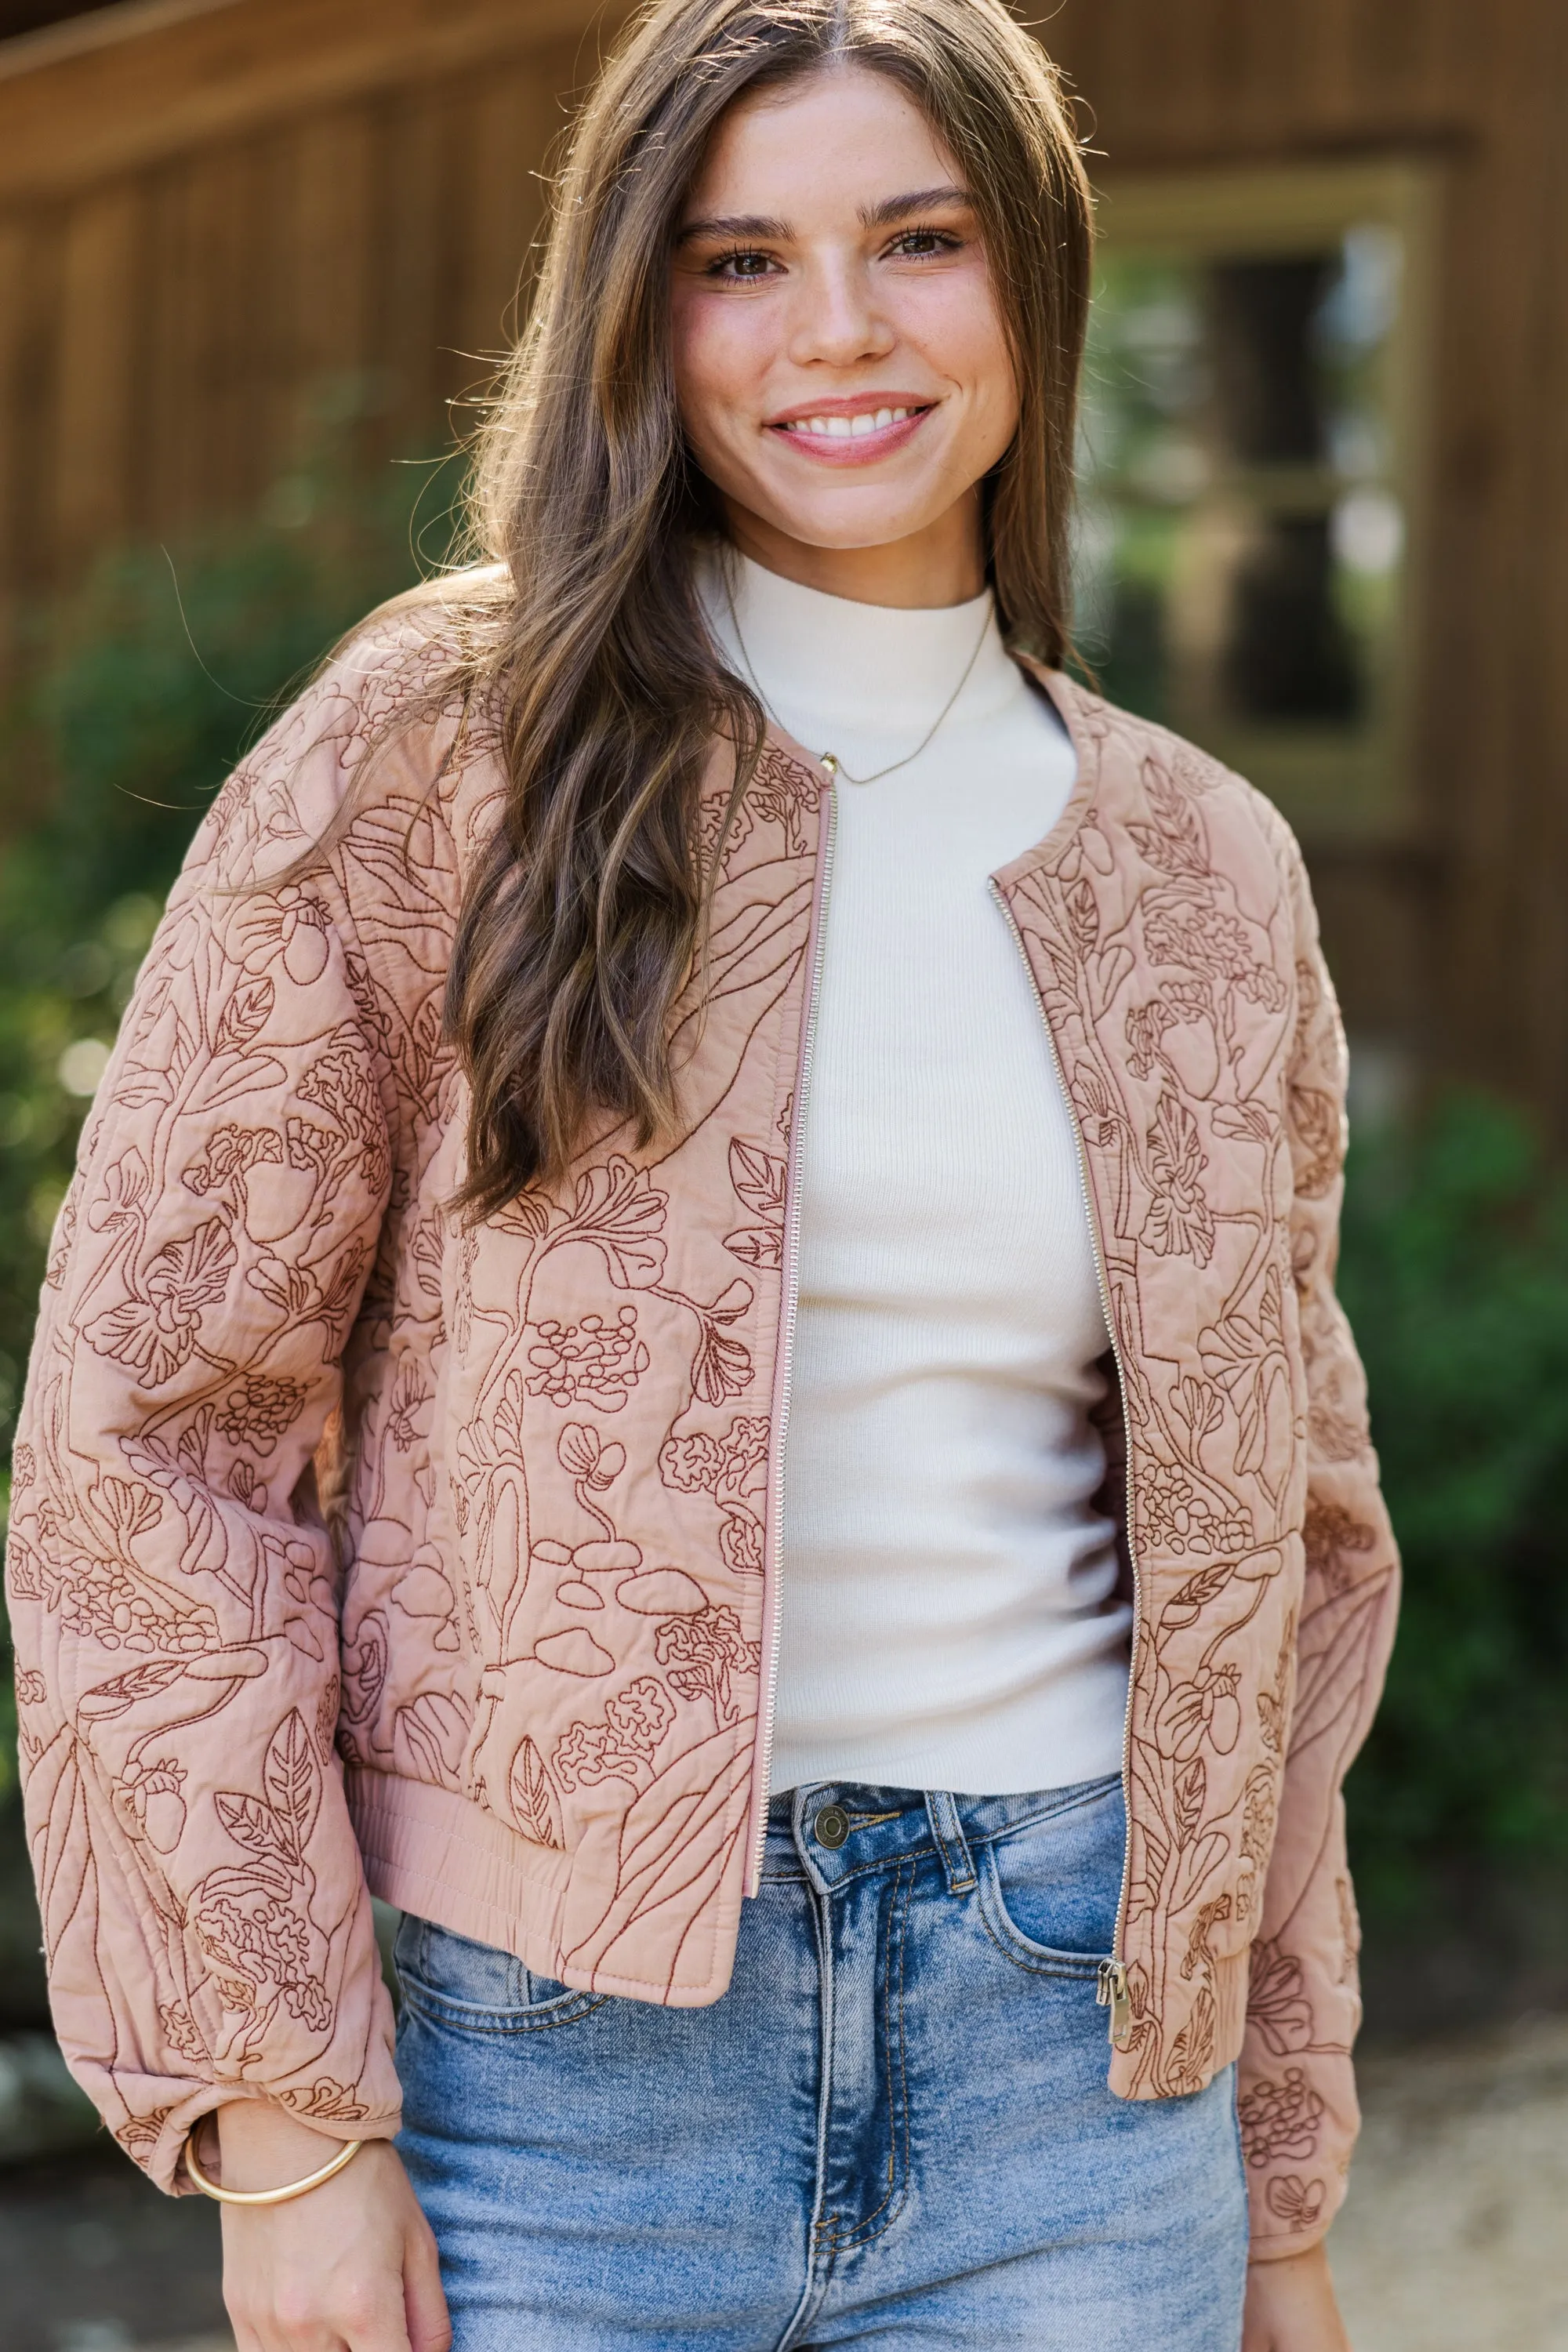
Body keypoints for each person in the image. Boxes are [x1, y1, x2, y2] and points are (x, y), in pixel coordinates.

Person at [9, 2, 1400, 2346]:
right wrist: (283, 2119)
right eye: (739, 259)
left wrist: (1272, 2192)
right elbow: (154, 1443)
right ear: (636, 313)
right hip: (539, 2087)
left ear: (1034, 281)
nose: (837, 331)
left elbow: (1298, 1557)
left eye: (919, 240)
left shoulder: (1205, 869)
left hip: (1081, 2074)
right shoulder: (445, 754)